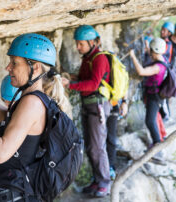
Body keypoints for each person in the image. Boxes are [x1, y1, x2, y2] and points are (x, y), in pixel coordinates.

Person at [0, 33, 71, 201]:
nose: (8, 68)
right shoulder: (36, 98)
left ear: (36, 67)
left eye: (14, 63)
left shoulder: (32, 103)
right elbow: (9, 121)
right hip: (18, 191)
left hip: (16, 192)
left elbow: (1, 153)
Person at [61, 25, 111, 197]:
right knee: (91, 147)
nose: (78, 47)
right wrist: (71, 78)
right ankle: (97, 181)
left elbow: (93, 84)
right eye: (77, 43)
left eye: (80, 44)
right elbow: (85, 79)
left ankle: (104, 183)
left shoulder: (99, 58)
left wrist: (70, 85)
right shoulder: (87, 58)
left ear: (91, 42)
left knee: (97, 147)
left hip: (97, 107)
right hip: (89, 106)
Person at [93, 30, 128, 180]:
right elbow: (124, 81)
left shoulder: (101, 60)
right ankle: (108, 169)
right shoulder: (113, 58)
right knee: (108, 138)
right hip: (113, 103)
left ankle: (106, 171)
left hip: (108, 103)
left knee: (104, 139)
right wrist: (124, 102)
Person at [129, 38, 167, 164]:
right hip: (156, 96)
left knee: (150, 121)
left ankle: (158, 149)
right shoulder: (163, 60)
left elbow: (142, 71)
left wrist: (133, 56)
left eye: (151, 50)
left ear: (154, 51)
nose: (149, 53)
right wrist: (147, 46)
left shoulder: (157, 67)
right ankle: (157, 147)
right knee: (152, 120)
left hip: (154, 97)